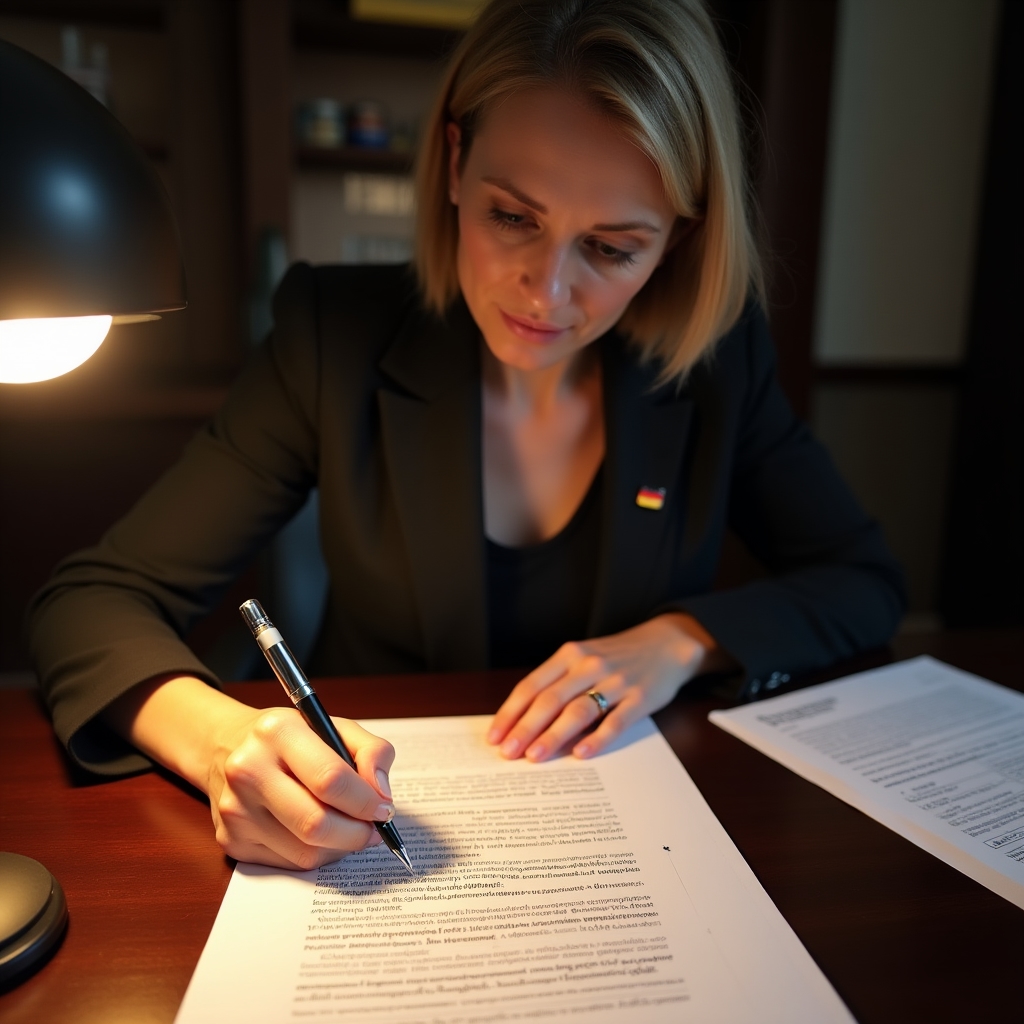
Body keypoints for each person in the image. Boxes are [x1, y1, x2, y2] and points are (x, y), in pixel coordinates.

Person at [29, 0, 905, 871]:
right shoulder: (336, 336)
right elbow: (92, 601)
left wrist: (681, 639)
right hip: (369, 843)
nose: (545, 292)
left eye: (611, 248)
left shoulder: (716, 363)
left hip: (633, 840)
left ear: (678, 239)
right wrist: (222, 739)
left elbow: (861, 580)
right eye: (514, 218)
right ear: (454, 162)